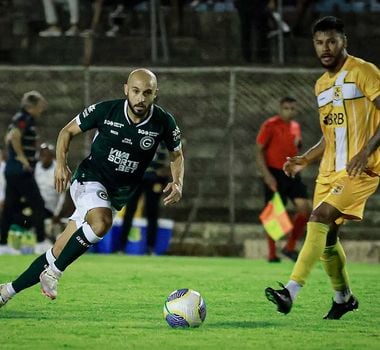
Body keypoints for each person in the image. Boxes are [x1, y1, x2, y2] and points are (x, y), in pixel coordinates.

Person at [0, 68, 184, 307]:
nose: (140, 98)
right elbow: (67, 131)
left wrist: (178, 181)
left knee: (57, 251)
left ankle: (7, 291)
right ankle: (54, 273)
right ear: (126, 89)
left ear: (155, 94)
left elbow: (177, 154)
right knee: (101, 222)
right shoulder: (106, 110)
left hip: (116, 194)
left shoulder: (163, 121)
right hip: (89, 178)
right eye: (136, 91)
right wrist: (61, 165)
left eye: (147, 93)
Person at [265, 16, 380, 320]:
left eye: (332, 41)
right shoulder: (321, 85)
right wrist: (305, 158)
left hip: (360, 170)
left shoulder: (364, 72)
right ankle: (343, 297)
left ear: (344, 41)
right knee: (327, 240)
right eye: (319, 42)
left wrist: (366, 151)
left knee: (318, 217)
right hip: (328, 172)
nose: (325, 48)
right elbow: (330, 135)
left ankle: (290, 291)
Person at [256, 96, 311, 263]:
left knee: (305, 207)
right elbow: (258, 150)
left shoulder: (296, 126)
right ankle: (272, 254)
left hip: (292, 172)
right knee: (274, 213)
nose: (290, 111)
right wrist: (267, 175)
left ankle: (290, 246)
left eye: (292, 108)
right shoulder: (270, 125)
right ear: (280, 109)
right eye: (286, 108)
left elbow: (296, 146)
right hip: (274, 172)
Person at [0, 91, 50, 256]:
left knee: (9, 207)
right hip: (21, 171)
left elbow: (9, 136)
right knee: (38, 204)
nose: (42, 109)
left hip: (11, 170)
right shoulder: (25, 118)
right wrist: (22, 158)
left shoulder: (18, 118)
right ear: (32, 106)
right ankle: (41, 242)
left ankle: (3, 244)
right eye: (40, 105)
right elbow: (14, 136)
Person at [120, 141, 170, 254]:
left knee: (152, 212)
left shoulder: (165, 137)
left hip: (155, 179)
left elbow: (174, 157)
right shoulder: (139, 134)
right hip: (137, 177)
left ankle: (150, 247)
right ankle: (121, 247)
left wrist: (163, 175)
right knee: (130, 210)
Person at [34, 143, 66, 245]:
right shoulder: (36, 167)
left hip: (51, 208)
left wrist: (57, 214)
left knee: (39, 213)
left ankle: (43, 241)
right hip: (36, 205)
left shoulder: (59, 169)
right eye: (42, 154)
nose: (43, 157)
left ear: (52, 156)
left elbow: (64, 195)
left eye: (46, 154)